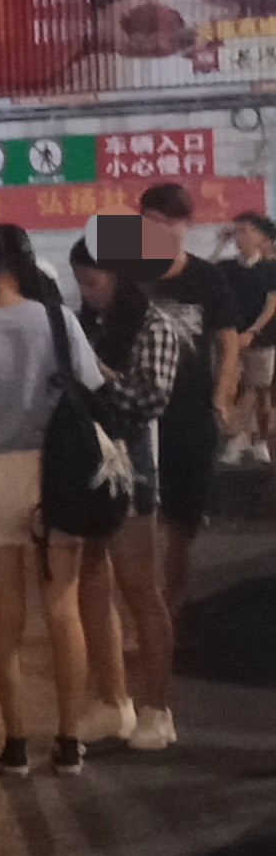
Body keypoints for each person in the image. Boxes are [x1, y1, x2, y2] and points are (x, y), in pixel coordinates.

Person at [0, 225, 103, 777]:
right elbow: (90, 386)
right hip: (56, 473)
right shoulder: (59, 320)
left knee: (5, 617)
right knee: (62, 609)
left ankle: (15, 744)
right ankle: (69, 741)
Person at [70, 240, 181, 752]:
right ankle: (112, 701)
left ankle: (157, 709)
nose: (86, 292)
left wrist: (97, 381)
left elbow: (150, 397)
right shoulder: (85, 323)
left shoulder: (154, 325)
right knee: (92, 584)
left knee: (140, 589)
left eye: (92, 281)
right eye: (81, 282)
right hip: (85, 466)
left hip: (131, 467)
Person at [138, 183, 241, 617]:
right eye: (152, 221)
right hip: (140, 413)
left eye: (170, 222)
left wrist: (221, 400)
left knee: (182, 521)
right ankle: (146, 609)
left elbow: (228, 343)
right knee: (140, 518)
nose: (161, 230)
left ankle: (171, 605)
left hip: (192, 412)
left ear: (187, 225)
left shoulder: (207, 278)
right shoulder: (129, 275)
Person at [213, 212, 276, 465]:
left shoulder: (270, 267)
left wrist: (253, 331)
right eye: (236, 232)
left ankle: (254, 440)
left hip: (262, 338)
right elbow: (205, 275)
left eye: (245, 231)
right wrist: (221, 243)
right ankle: (239, 439)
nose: (240, 237)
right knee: (234, 389)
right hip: (231, 338)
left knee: (258, 390)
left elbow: (272, 303)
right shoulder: (227, 267)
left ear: (260, 236)